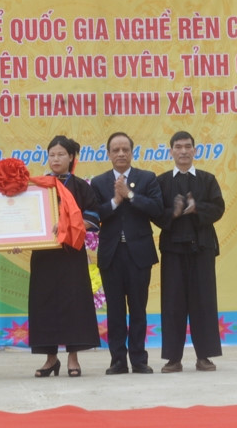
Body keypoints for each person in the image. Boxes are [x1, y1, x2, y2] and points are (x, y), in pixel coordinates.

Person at [90, 132, 162, 375]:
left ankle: (139, 359)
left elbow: (156, 209)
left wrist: (130, 195)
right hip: (111, 254)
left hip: (139, 254)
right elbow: (94, 214)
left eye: (125, 149)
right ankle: (118, 360)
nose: (121, 154)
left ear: (132, 152)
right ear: (108, 154)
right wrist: (115, 201)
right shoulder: (99, 182)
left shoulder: (147, 178)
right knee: (115, 310)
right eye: (116, 150)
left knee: (138, 308)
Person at [28, 136, 101, 378]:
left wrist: (66, 226)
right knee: (44, 304)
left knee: (74, 304)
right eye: (52, 155)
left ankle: (73, 358)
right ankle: (50, 359)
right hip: (44, 255)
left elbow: (93, 218)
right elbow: (27, 218)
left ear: (71, 157)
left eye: (60, 154)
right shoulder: (38, 186)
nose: (56, 159)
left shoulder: (80, 186)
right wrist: (18, 237)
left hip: (71, 254)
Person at [154, 131, 225, 373]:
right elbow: (155, 213)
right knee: (172, 304)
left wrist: (197, 208)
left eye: (187, 146)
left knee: (203, 302)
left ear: (195, 150)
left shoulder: (207, 179)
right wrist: (172, 213)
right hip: (172, 250)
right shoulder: (162, 182)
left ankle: (204, 356)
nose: (183, 151)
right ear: (171, 151)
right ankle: (173, 359)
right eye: (178, 147)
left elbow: (218, 208)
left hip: (202, 248)